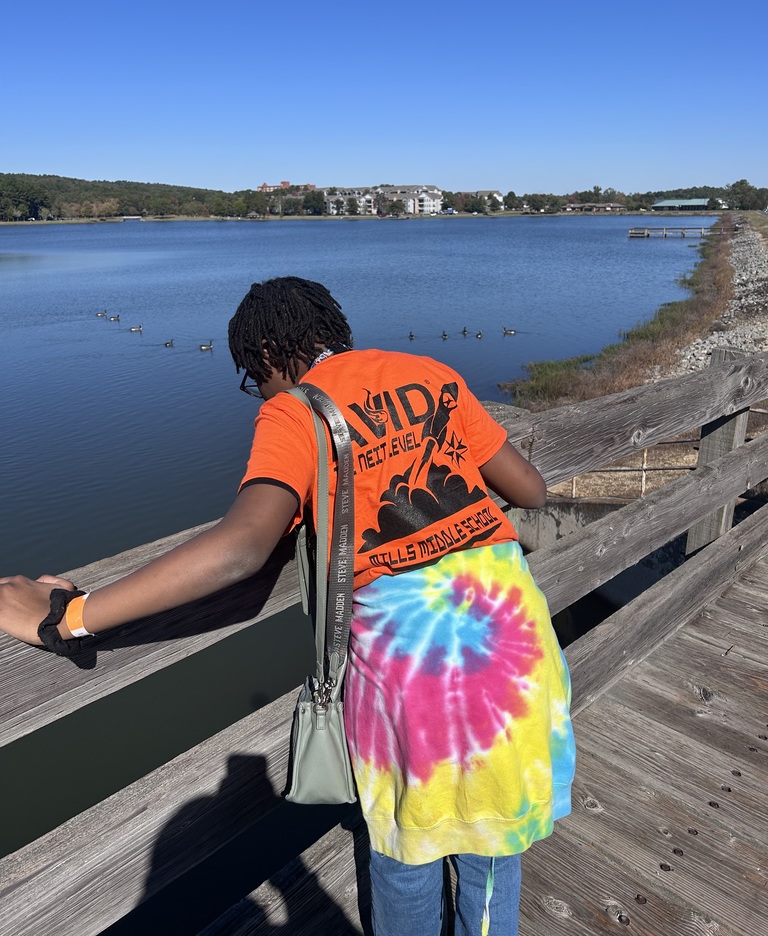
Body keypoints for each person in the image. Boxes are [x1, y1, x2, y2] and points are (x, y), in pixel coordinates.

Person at [0, 276, 575, 936]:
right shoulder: (432, 373)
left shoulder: (295, 411)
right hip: (518, 645)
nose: (260, 392)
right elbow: (529, 489)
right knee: (493, 855)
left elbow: (243, 547)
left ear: (271, 353)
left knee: (403, 849)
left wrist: (67, 615)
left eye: (254, 376)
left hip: (417, 682)